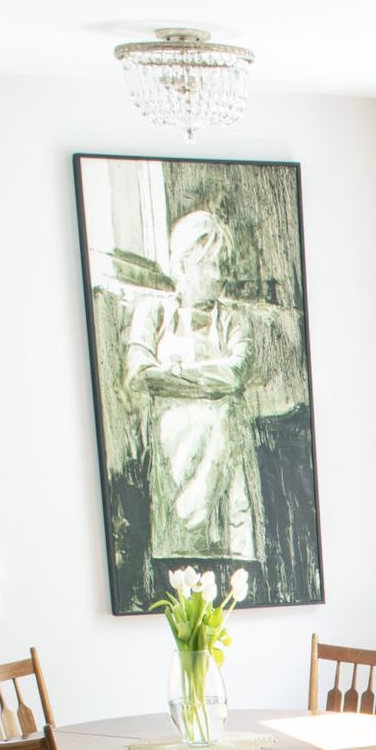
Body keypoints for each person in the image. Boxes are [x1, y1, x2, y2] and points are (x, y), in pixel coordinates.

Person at [125, 209, 256, 567]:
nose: (220, 276)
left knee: (225, 415)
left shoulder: (234, 320)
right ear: (184, 264)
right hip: (171, 445)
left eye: (222, 265)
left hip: (221, 446)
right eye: (210, 264)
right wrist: (204, 381)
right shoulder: (152, 313)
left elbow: (234, 374)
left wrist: (175, 374)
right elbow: (139, 372)